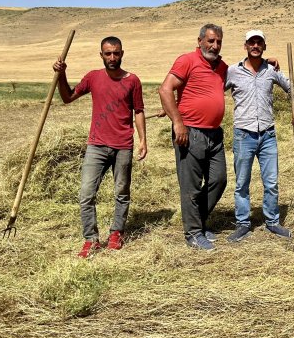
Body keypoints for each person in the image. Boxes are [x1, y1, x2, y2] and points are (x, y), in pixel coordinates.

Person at [53, 36, 147, 258]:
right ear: (101, 55)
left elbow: (139, 111)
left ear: (122, 54)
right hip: (96, 145)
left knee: (121, 192)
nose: (112, 57)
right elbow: (67, 97)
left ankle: (116, 232)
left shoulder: (133, 80)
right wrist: (61, 74)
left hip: (123, 145)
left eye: (116, 53)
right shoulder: (93, 77)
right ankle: (91, 239)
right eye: (108, 53)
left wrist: (143, 139)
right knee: (86, 194)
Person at [224, 30, 294, 242]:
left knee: (271, 182)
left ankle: (272, 221)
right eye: (252, 42)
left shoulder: (271, 70)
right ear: (245, 46)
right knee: (242, 183)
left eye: (259, 42)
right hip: (243, 135)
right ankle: (243, 223)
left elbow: (291, 87)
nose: (255, 46)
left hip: (267, 134)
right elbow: (214, 90)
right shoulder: (233, 71)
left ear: (264, 47)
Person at [159, 24, 228, 251]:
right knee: (191, 185)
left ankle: (198, 221)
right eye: (210, 41)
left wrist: (267, 62)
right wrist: (177, 122)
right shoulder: (187, 60)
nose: (214, 46)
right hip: (189, 132)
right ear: (199, 41)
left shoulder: (222, 67)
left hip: (214, 134)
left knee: (219, 180)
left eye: (218, 41)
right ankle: (194, 233)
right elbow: (165, 89)